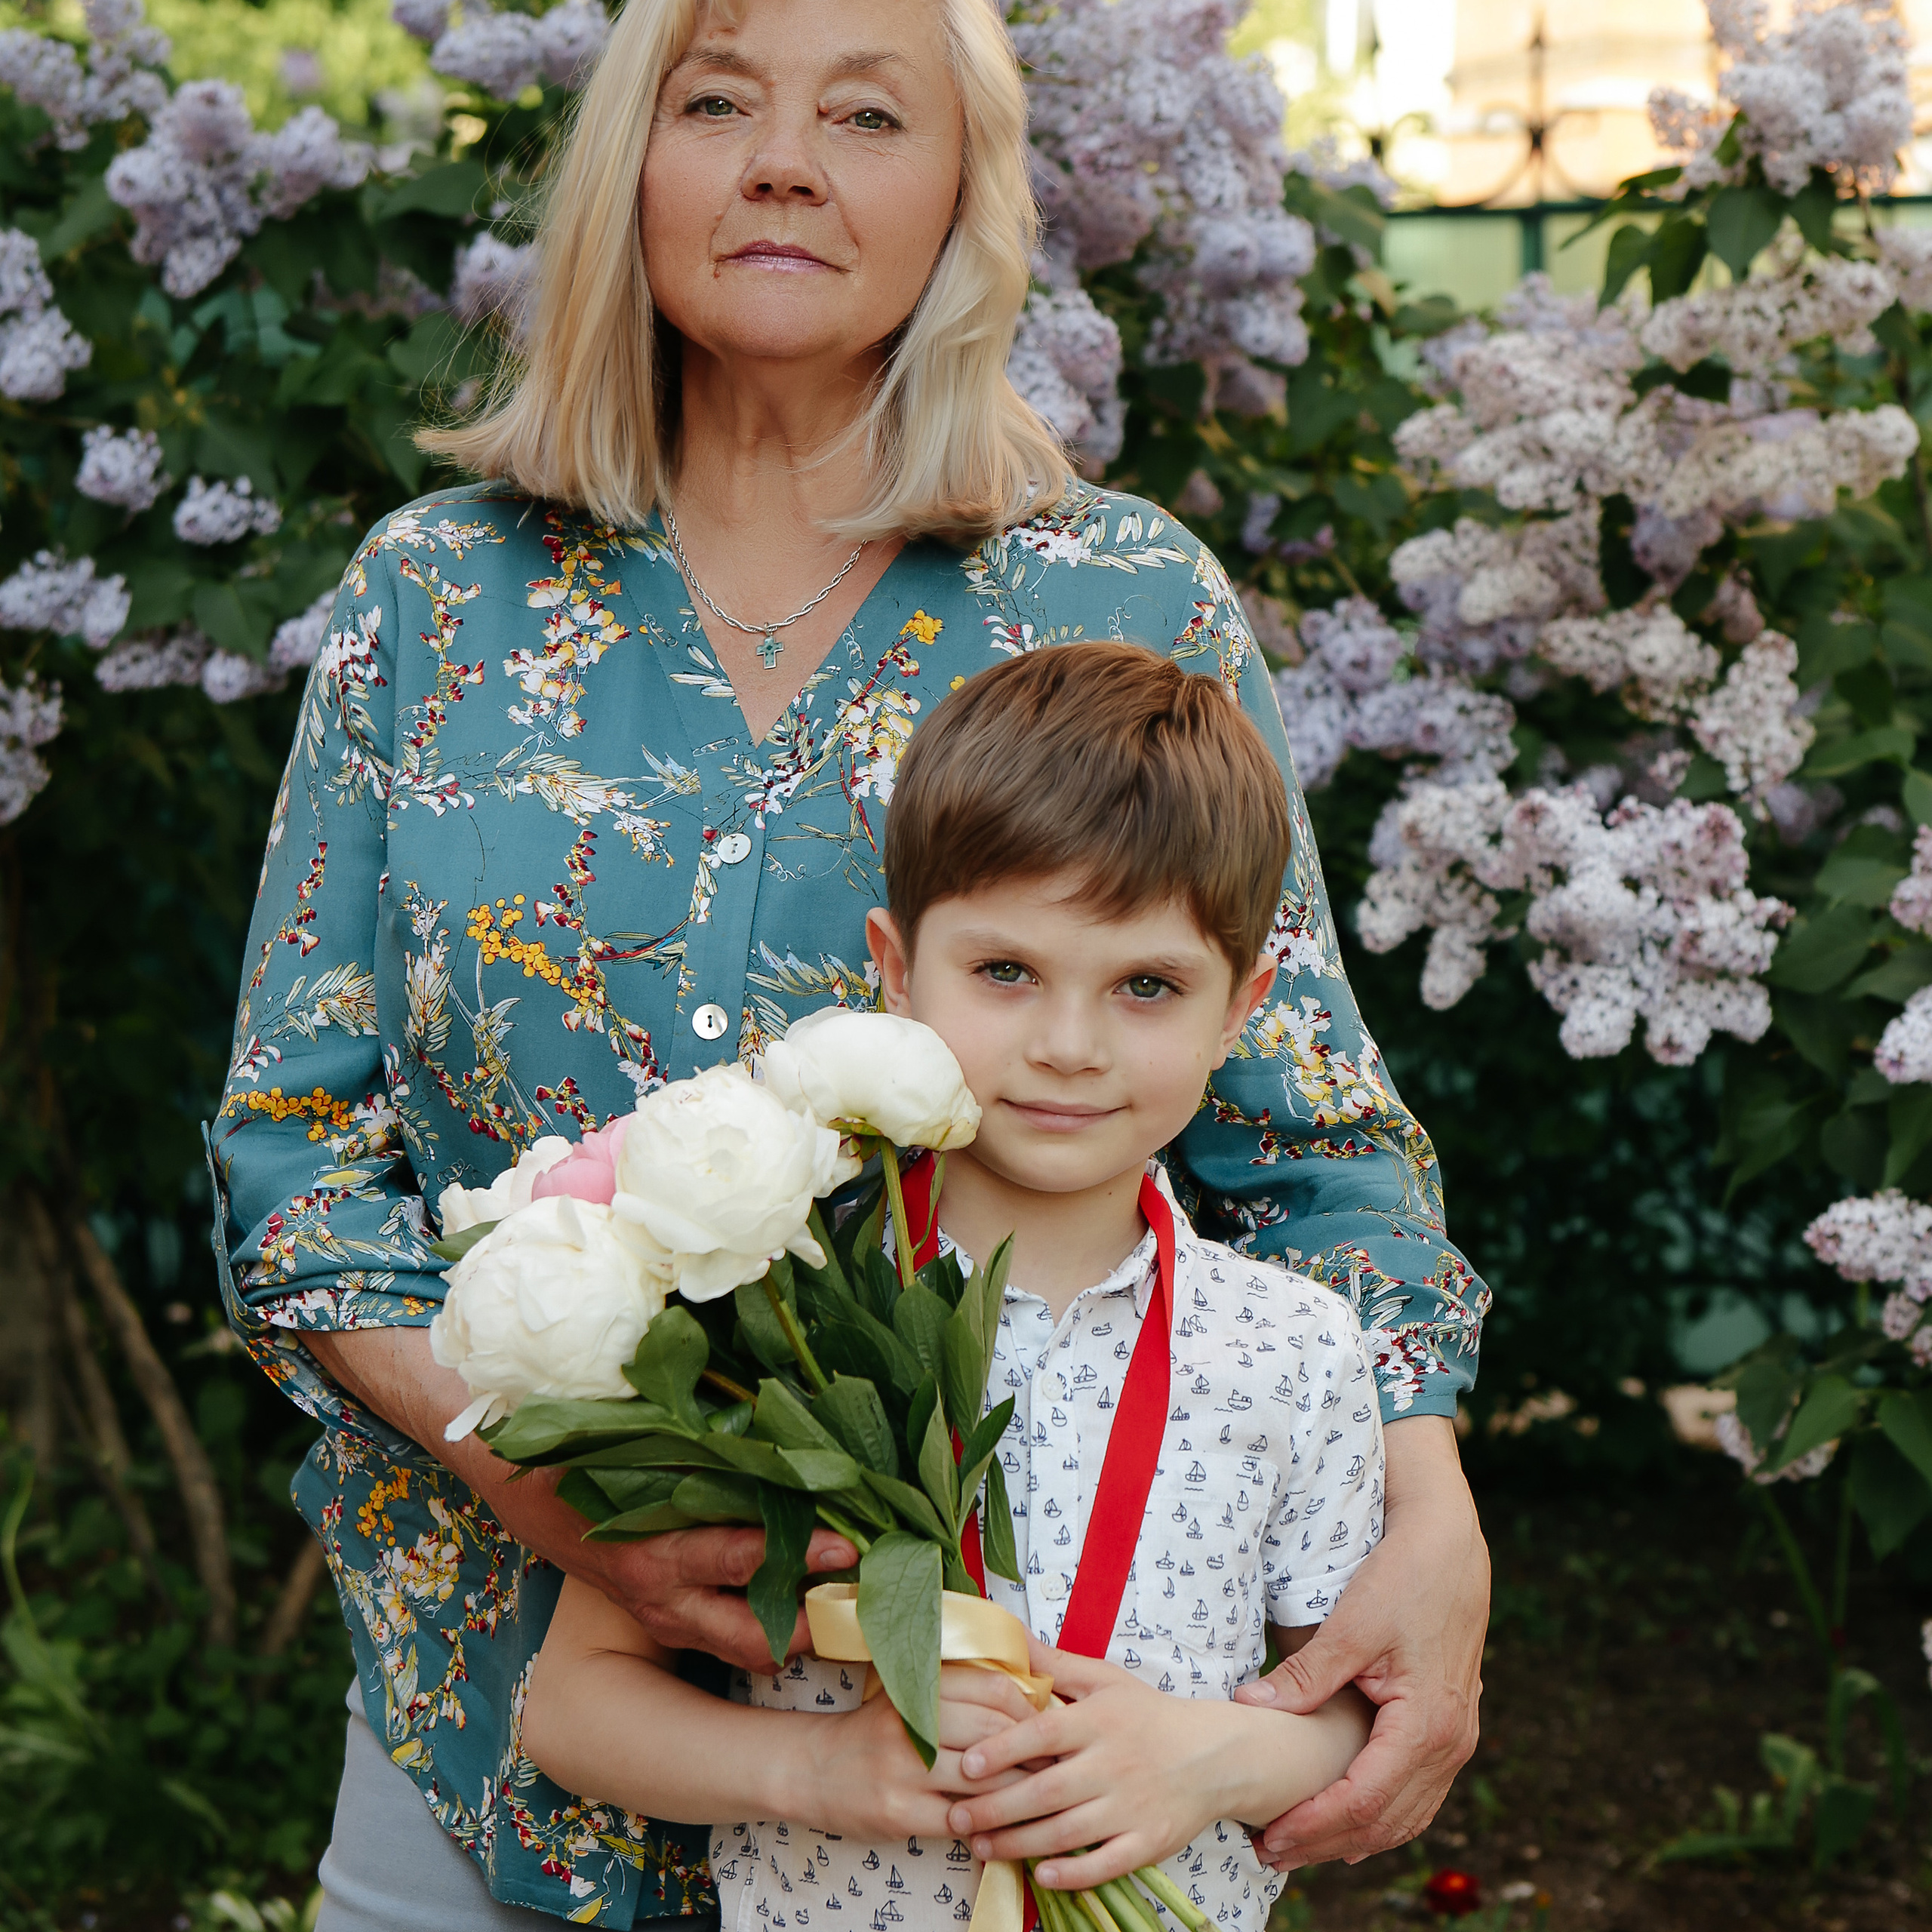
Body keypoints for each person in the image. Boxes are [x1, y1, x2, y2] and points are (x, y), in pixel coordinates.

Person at [208, 0, 1490, 1922]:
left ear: (964, 190)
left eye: (867, 113)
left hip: (999, 1756)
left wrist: (1431, 1503)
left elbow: (1304, 1120)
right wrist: (545, 1489)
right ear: (631, 164)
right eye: (716, 99)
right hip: (495, 1704)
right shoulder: (434, 598)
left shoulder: (1119, 598)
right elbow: (296, 1163)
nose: (785, 159)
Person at [521, 642, 1384, 1932]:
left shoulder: (1295, 1349)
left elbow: (1355, 1714)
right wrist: (819, 1770)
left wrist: (1202, 1759)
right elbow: (571, 1705)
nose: (1068, 1045)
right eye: (1006, 972)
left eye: (1148, 986)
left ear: (1244, 1005)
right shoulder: (774, 1309)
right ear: (893, 964)